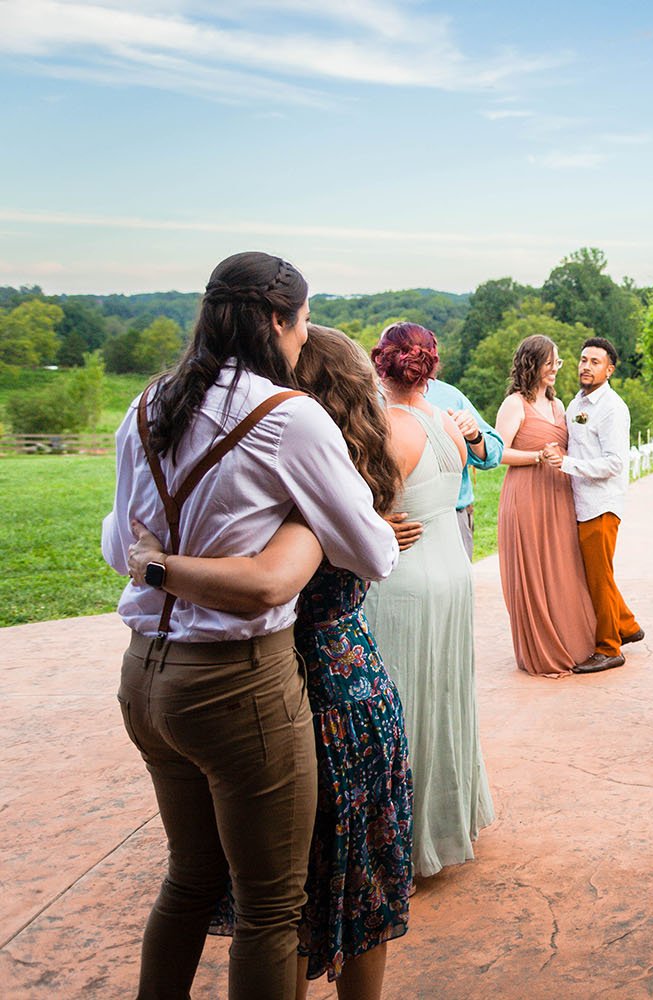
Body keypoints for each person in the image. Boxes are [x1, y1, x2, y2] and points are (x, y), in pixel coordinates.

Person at [103, 252, 399, 999]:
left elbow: (120, 546)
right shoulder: (287, 415)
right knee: (273, 906)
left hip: (145, 676)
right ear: (277, 319)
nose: (302, 340)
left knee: (189, 879)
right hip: (237, 683)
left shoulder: (146, 404)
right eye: (301, 323)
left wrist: (164, 560)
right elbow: (372, 551)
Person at [365, 322, 494, 877]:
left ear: (380, 364)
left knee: (403, 703)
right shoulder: (447, 421)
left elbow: (367, 511)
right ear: (430, 366)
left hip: (408, 578)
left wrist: (375, 523)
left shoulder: (389, 429)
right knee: (443, 694)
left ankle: (402, 844)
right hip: (451, 571)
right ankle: (447, 822)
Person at [494, 334, 598, 676]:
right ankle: (542, 648)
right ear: (533, 364)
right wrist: (536, 456)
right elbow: (498, 454)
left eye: (558, 363)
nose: (556, 369)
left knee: (563, 566)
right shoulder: (514, 404)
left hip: (559, 494)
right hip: (526, 494)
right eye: (551, 362)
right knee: (535, 568)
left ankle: (572, 641)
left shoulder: (559, 405)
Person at [551, 336, 643, 673]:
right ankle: (628, 626)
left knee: (598, 578)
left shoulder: (612, 408)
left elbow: (615, 462)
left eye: (595, 362)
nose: (586, 366)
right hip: (579, 501)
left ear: (610, 369)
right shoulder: (576, 404)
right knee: (597, 573)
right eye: (583, 360)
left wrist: (566, 464)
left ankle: (609, 647)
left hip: (601, 504)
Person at [423, 376, 503, 559]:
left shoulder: (450, 396)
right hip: (400, 523)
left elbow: (494, 453)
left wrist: (474, 435)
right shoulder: (373, 396)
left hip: (453, 516)